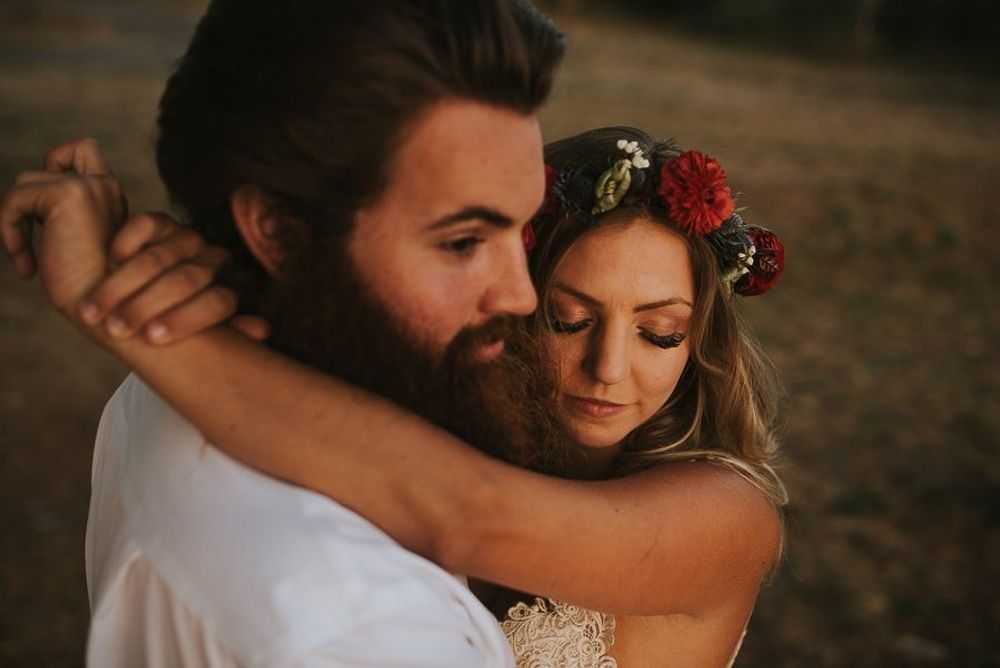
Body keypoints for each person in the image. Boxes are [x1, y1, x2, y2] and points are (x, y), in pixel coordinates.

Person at [4, 124, 788, 665]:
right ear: (507, 296)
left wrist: (111, 309)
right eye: (568, 318)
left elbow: (461, 512)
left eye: (659, 333)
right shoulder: (434, 427)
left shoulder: (726, 517)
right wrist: (211, 272)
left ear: (699, 340)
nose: (609, 368)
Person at [1, 1, 567, 666]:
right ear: (275, 230)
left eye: (520, 230)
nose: (521, 294)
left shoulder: (166, 383)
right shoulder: (365, 631)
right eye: (464, 241)